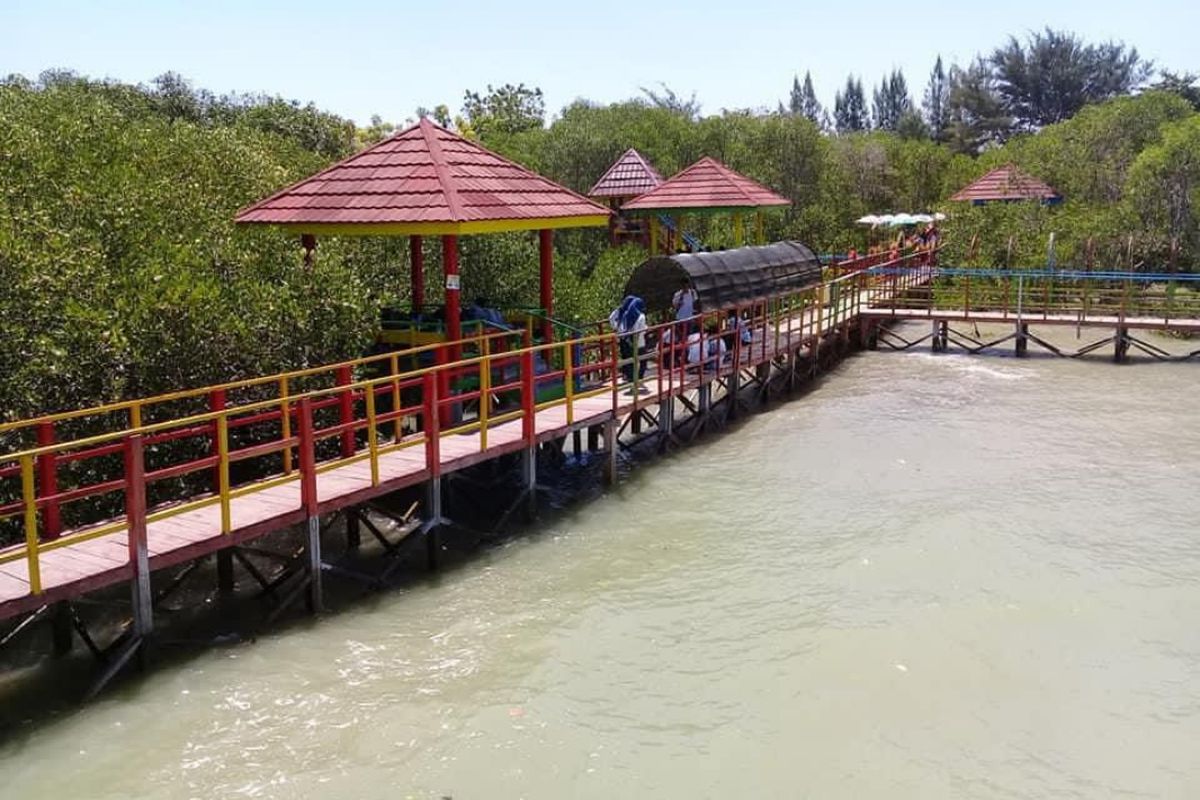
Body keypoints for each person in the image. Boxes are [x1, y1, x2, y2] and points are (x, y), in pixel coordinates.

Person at [608, 295, 648, 384]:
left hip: (625, 338)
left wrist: (616, 328)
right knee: (643, 358)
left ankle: (629, 376)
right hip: (638, 341)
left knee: (627, 358)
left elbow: (612, 319)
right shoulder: (640, 316)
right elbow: (640, 329)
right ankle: (639, 377)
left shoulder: (625, 314)